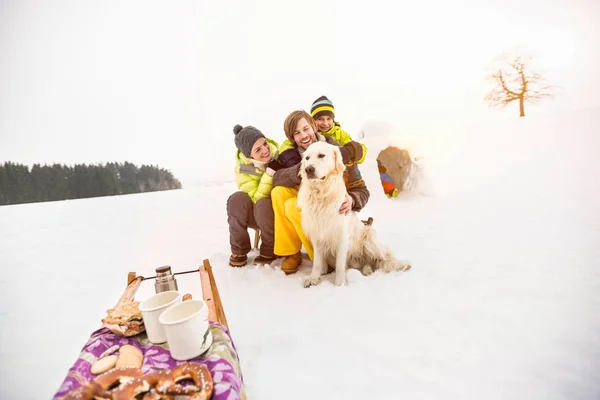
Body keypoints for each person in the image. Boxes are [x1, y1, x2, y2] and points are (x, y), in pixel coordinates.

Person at [267, 110, 370, 274]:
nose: (304, 136)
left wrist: (351, 199)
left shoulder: (337, 151)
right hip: (310, 202)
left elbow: (362, 190)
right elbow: (277, 178)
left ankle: (321, 259)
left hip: (330, 211)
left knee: (293, 205)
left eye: (306, 128)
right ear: (292, 138)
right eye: (296, 133)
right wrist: (303, 170)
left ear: (313, 127)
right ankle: (291, 253)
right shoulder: (289, 154)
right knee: (278, 192)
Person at [227, 124, 279, 267]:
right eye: (258, 149)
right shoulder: (243, 170)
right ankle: (239, 249)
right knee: (236, 200)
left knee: (265, 204)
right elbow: (255, 198)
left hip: (277, 213)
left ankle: (270, 247)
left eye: (265, 144)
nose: (265, 150)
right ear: (249, 156)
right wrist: (269, 174)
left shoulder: (279, 154)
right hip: (257, 212)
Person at [310, 95, 368, 164]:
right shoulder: (310, 134)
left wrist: (354, 151)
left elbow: (361, 153)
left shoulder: (340, 134)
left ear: (333, 119)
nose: (325, 123)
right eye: (320, 119)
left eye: (329, 119)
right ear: (313, 120)